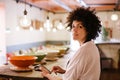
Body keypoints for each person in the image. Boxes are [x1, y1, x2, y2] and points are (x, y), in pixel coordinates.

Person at [40, 7, 102, 80]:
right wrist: (65, 71)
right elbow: (83, 72)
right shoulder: (91, 46)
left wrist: (47, 75)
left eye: (80, 26)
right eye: (73, 26)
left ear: (89, 30)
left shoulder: (84, 51)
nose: (74, 30)